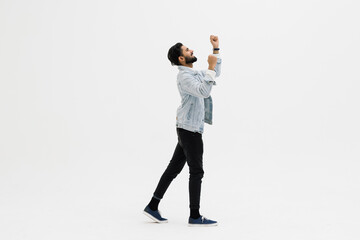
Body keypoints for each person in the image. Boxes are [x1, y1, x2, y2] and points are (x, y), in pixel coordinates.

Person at [143, 35, 222, 227]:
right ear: (180, 58)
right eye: (187, 50)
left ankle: (152, 206)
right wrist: (211, 67)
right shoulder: (184, 77)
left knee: (173, 169)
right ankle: (194, 216)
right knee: (196, 171)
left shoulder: (193, 74)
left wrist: (216, 51)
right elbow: (204, 91)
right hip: (190, 130)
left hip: (187, 127)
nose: (192, 51)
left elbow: (214, 75)